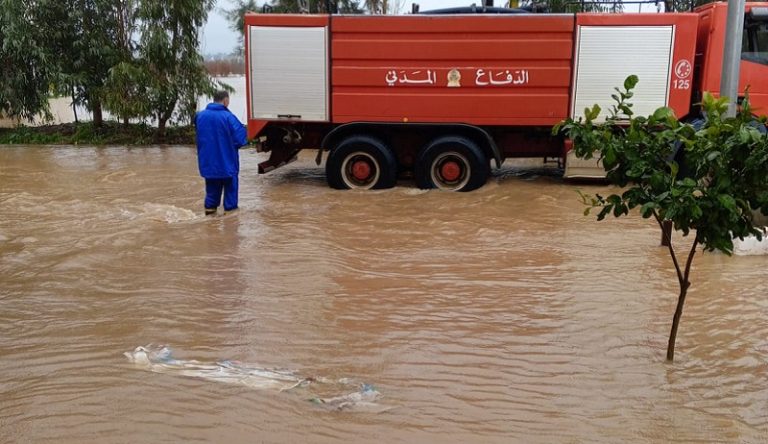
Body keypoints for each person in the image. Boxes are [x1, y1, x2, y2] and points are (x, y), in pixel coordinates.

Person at [195, 90, 247, 215]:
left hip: (208, 164)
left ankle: (210, 222)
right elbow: (241, 139)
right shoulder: (228, 117)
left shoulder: (200, 116)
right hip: (227, 164)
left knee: (211, 197)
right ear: (225, 101)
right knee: (230, 202)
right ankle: (230, 224)